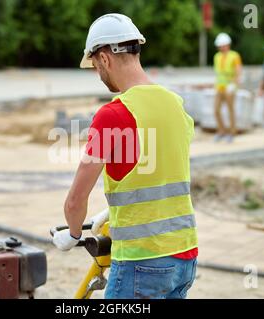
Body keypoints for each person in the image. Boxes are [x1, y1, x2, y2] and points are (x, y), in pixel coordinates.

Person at [52, 13, 198, 299]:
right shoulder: (175, 105)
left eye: (95, 66)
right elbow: (159, 171)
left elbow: (75, 200)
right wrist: (115, 210)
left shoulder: (113, 114)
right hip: (185, 256)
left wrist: (72, 234)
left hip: (141, 262)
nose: (98, 74)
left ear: (105, 58)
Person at [213, 33, 243, 143]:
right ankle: (222, 131)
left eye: (222, 45)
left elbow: (238, 71)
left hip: (230, 87)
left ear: (227, 45)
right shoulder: (217, 56)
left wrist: (234, 84)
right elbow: (218, 73)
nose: (221, 47)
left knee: (230, 110)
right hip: (219, 87)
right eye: (219, 45)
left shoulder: (234, 56)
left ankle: (232, 133)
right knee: (216, 110)